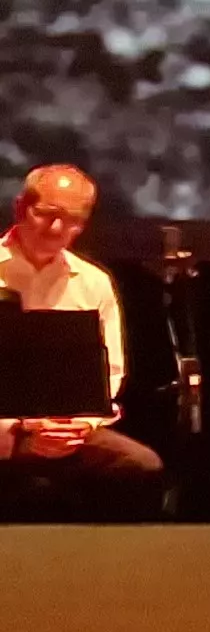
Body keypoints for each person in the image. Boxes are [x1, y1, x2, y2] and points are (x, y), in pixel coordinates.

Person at [0, 166, 164, 519]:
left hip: (69, 430)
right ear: (20, 208)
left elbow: (111, 373)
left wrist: (78, 426)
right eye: (47, 214)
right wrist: (24, 427)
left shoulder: (92, 282)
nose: (57, 228)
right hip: (4, 430)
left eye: (72, 220)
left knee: (140, 467)